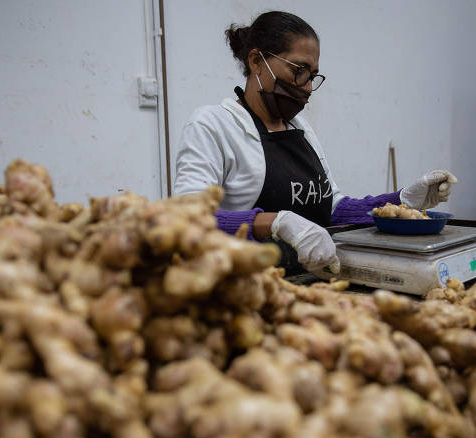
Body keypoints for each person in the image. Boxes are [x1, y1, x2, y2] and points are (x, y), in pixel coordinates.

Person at [174, 11, 456, 273]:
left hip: (309, 283)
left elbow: (331, 207)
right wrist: (275, 223)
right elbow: (188, 222)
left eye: (311, 75)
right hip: (250, 286)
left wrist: (401, 202)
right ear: (256, 61)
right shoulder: (213, 125)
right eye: (298, 70)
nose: (307, 87)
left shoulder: (301, 129)